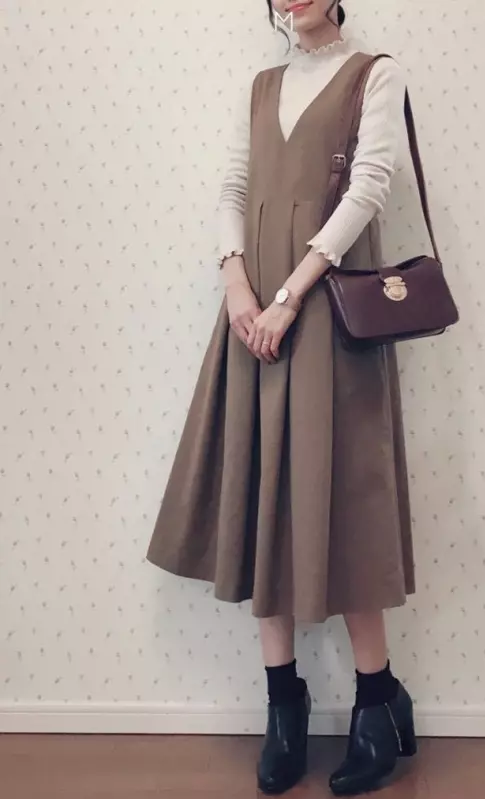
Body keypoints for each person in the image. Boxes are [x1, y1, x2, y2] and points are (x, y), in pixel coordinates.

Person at [146, 0, 419, 794]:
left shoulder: (374, 74)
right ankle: (282, 704)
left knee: (346, 498)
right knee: (258, 490)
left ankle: (375, 699)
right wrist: (237, 285)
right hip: (252, 315)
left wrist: (290, 296)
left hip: (324, 312)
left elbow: (367, 190)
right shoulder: (262, 85)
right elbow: (234, 184)